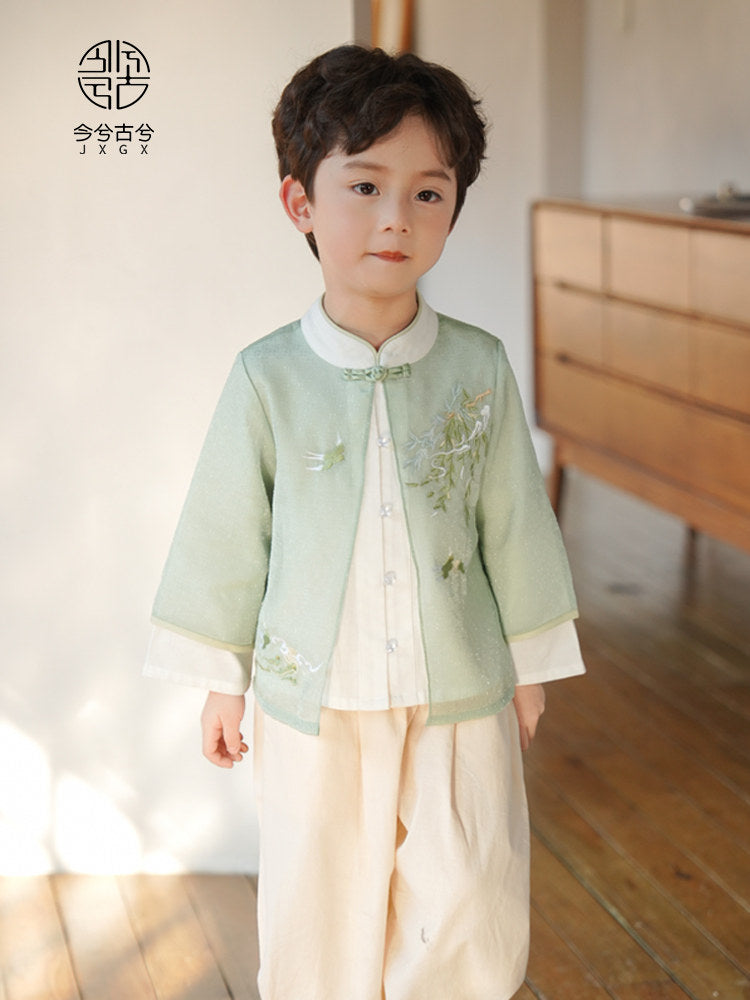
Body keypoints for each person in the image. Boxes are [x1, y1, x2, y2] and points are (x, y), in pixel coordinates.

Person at [145, 43, 585, 1000]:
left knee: (467, 888)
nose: (396, 218)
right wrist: (222, 682)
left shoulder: (479, 368)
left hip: (461, 686)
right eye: (365, 186)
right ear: (300, 203)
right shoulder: (267, 377)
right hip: (317, 696)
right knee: (319, 897)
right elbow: (227, 534)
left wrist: (533, 666)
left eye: (429, 194)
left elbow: (516, 521)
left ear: (455, 209)